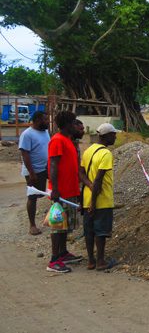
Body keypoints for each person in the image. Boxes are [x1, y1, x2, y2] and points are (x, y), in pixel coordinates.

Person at [46, 111, 83, 273]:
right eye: (74, 122)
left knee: (65, 226)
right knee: (58, 226)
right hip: (61, 191)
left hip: (70, 190)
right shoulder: (57, 141)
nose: (76, 125)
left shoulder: (67, 140)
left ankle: (63, 253)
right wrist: (55, 189)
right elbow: (53, 165)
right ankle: (54, 261)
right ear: (67, 124)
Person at [80, 123, 118, 271]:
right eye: (113, 134)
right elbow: (99, 180)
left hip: (87, 198)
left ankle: (91, 261)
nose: (115, 136)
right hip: (101, 200)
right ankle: (101, 261)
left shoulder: (88, 151)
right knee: (101, 231)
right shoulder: (106, 154)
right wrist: (94, 203)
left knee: (89, 231)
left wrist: (89, 188)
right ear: (106, 136)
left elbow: (81, 173)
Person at [19, 110, 50, 235]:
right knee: (32, 197)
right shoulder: (27, 134)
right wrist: (32, 173)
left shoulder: (45, 132)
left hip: (45, 169)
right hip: (33, 171)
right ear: (37, 120)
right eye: (45, 119)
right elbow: (25, 154)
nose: (48, 122)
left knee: (44, 194)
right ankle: (32, 225)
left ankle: (53, 219)